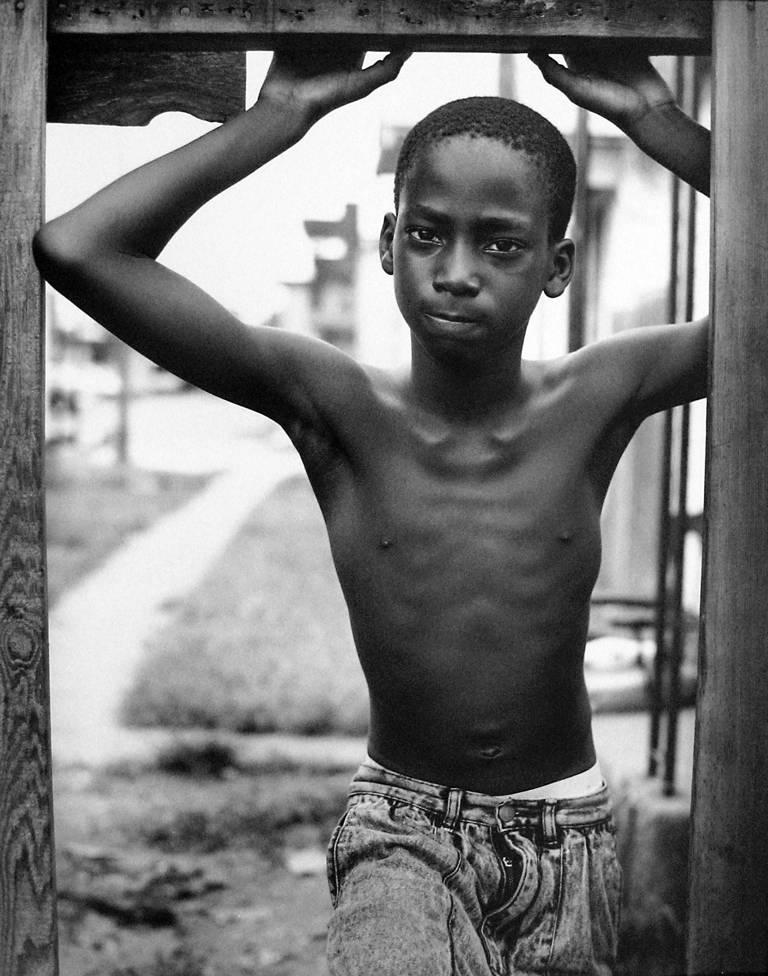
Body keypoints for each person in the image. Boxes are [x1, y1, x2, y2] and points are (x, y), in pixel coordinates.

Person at [34, 43, 710, 975]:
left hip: (570, 837)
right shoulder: (336, 407)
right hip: (403, 833)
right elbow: (76, 248)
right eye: (428, 234)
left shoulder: (601, 396)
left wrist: (660, 127)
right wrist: (277, 118)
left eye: (500, 243)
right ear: (390, 244)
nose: (457, 270)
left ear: (556, 266)